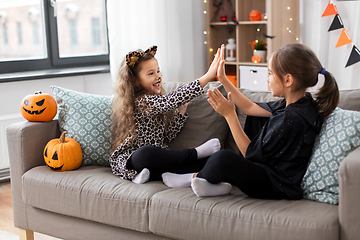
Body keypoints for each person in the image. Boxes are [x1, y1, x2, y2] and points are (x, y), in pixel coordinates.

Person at [163, 43, 339, 200]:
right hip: (271, 174)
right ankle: (208, 182)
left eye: (270, 73)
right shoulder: (300, 103)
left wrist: (230, 115)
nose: (268, 79)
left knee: (223, 157)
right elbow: (249, 108)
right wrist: (223, 79)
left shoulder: (291, 119)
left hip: (275, 185)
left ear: (288, 80)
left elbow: (249, 153)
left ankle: (192, 178)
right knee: (216, 157)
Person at [110, 45, 222, 184]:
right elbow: (169, 101)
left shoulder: (157, 103)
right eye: (151, 74)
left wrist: (181, 112)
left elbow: (168, 137)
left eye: (158, 71)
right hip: (132, 160)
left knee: (201, 163)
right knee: (147, 152)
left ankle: (177, 178)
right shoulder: (140, 102)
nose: (158, 76)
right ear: (135, 81)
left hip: (156, 161)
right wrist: (208, 77)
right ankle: (194, 152)